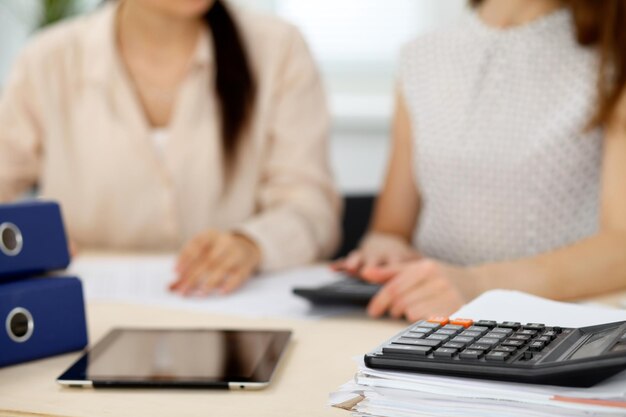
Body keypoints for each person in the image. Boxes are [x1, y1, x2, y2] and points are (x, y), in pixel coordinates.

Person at [0, 0, 341, 295]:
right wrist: (25, 245)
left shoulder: (278, 48)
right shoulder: (47, 61)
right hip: (88, 313)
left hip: (229, 308)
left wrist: (252, 244)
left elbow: (312, 208)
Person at [334, 0, 626, 321]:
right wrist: (383, 249)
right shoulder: (421, 56)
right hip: (427, 321)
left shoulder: (611, 59)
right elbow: (391, 227)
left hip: (553, 325)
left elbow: (620, 246)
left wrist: (478, 284)